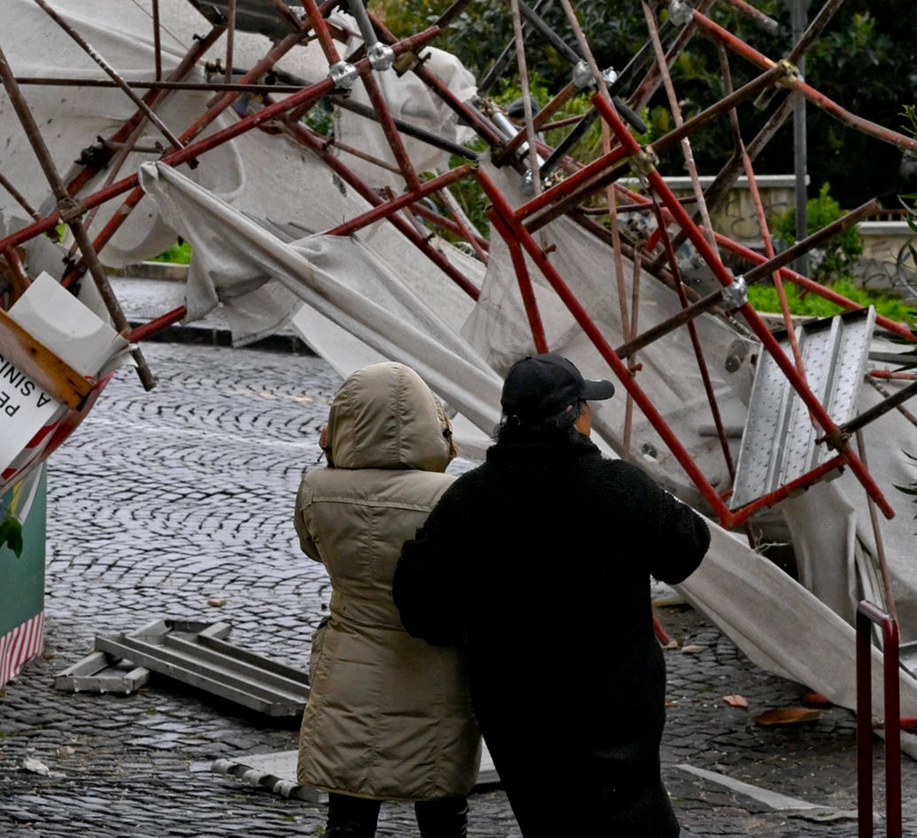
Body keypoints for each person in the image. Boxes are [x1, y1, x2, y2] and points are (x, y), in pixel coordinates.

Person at [393, 353, 711, 837]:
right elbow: (686, 549)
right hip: (617, 704)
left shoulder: (472, 497)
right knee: (634, 818)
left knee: (549, 820)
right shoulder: (619, 486)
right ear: (572, 416)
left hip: (518, 709)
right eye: (586, 405)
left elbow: (419, 602)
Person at [296, 362, 480, 838]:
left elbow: (311, 548)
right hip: (436, 673)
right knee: (443, 818)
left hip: (349, 678)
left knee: (349, 818)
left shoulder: (317, 491)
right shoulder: (456, 496)